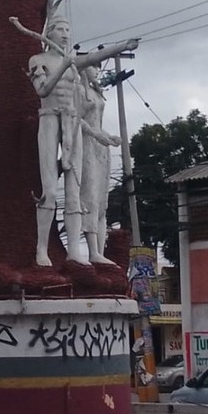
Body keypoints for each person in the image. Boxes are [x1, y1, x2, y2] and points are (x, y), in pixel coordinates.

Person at [9, 7, 137, 267]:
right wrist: (62, 67)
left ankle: (76, 252)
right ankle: (41, 249)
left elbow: (94, 57)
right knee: (48, 190)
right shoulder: (38, 60)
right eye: (60, 29)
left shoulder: (73, 61)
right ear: (50, 33)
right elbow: (43, 90)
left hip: (72, 121)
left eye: (68, 30)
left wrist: (121, 46)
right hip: (48, 119)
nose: (66, 34)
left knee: (74, 188)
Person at [77, 65, 120, 264]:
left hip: (100, 145)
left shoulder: (96, 92)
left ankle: (99, 252)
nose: (96, 71)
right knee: (90, 198)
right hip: (86, 144)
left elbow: (97, 123)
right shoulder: (78, 91)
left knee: (102, 202)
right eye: (93, 68)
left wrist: (107, 136)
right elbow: (75, 119)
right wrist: (95, 134)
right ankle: (92, 251)